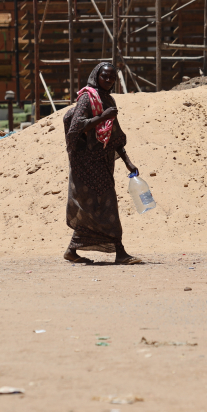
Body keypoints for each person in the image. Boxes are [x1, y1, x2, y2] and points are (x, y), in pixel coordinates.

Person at [62, 62, 142, 265]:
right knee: (104, 205)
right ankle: (120, 251)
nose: (108, 80)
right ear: (96, 76)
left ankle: (72, 250)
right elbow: (76, 127)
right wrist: (102, 116)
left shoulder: (109, 99)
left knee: (96, 206)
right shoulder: (87, 98)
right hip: (85, 165)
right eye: (105, 76)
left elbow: (114, 137)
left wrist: (128, 162)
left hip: (103, 163)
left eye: (112, 78)